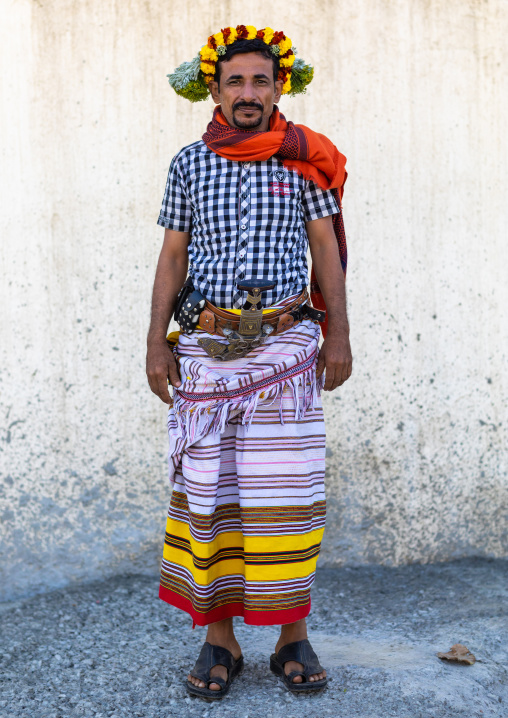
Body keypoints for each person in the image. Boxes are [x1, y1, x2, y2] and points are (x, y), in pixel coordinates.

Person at [146, 25, 352, 700]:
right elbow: (174, 255)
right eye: (234, 80)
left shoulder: (305, 160)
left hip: (287, 353)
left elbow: (326, 251)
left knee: (286, 501)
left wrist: (341, 337)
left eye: (260, 80)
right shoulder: (189, 163)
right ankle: (221, 639)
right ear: (213, 88)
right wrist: (155, 341)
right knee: (214, 500)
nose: (247, 93)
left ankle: (291, 635)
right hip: (207, 350)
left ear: (278, 87)